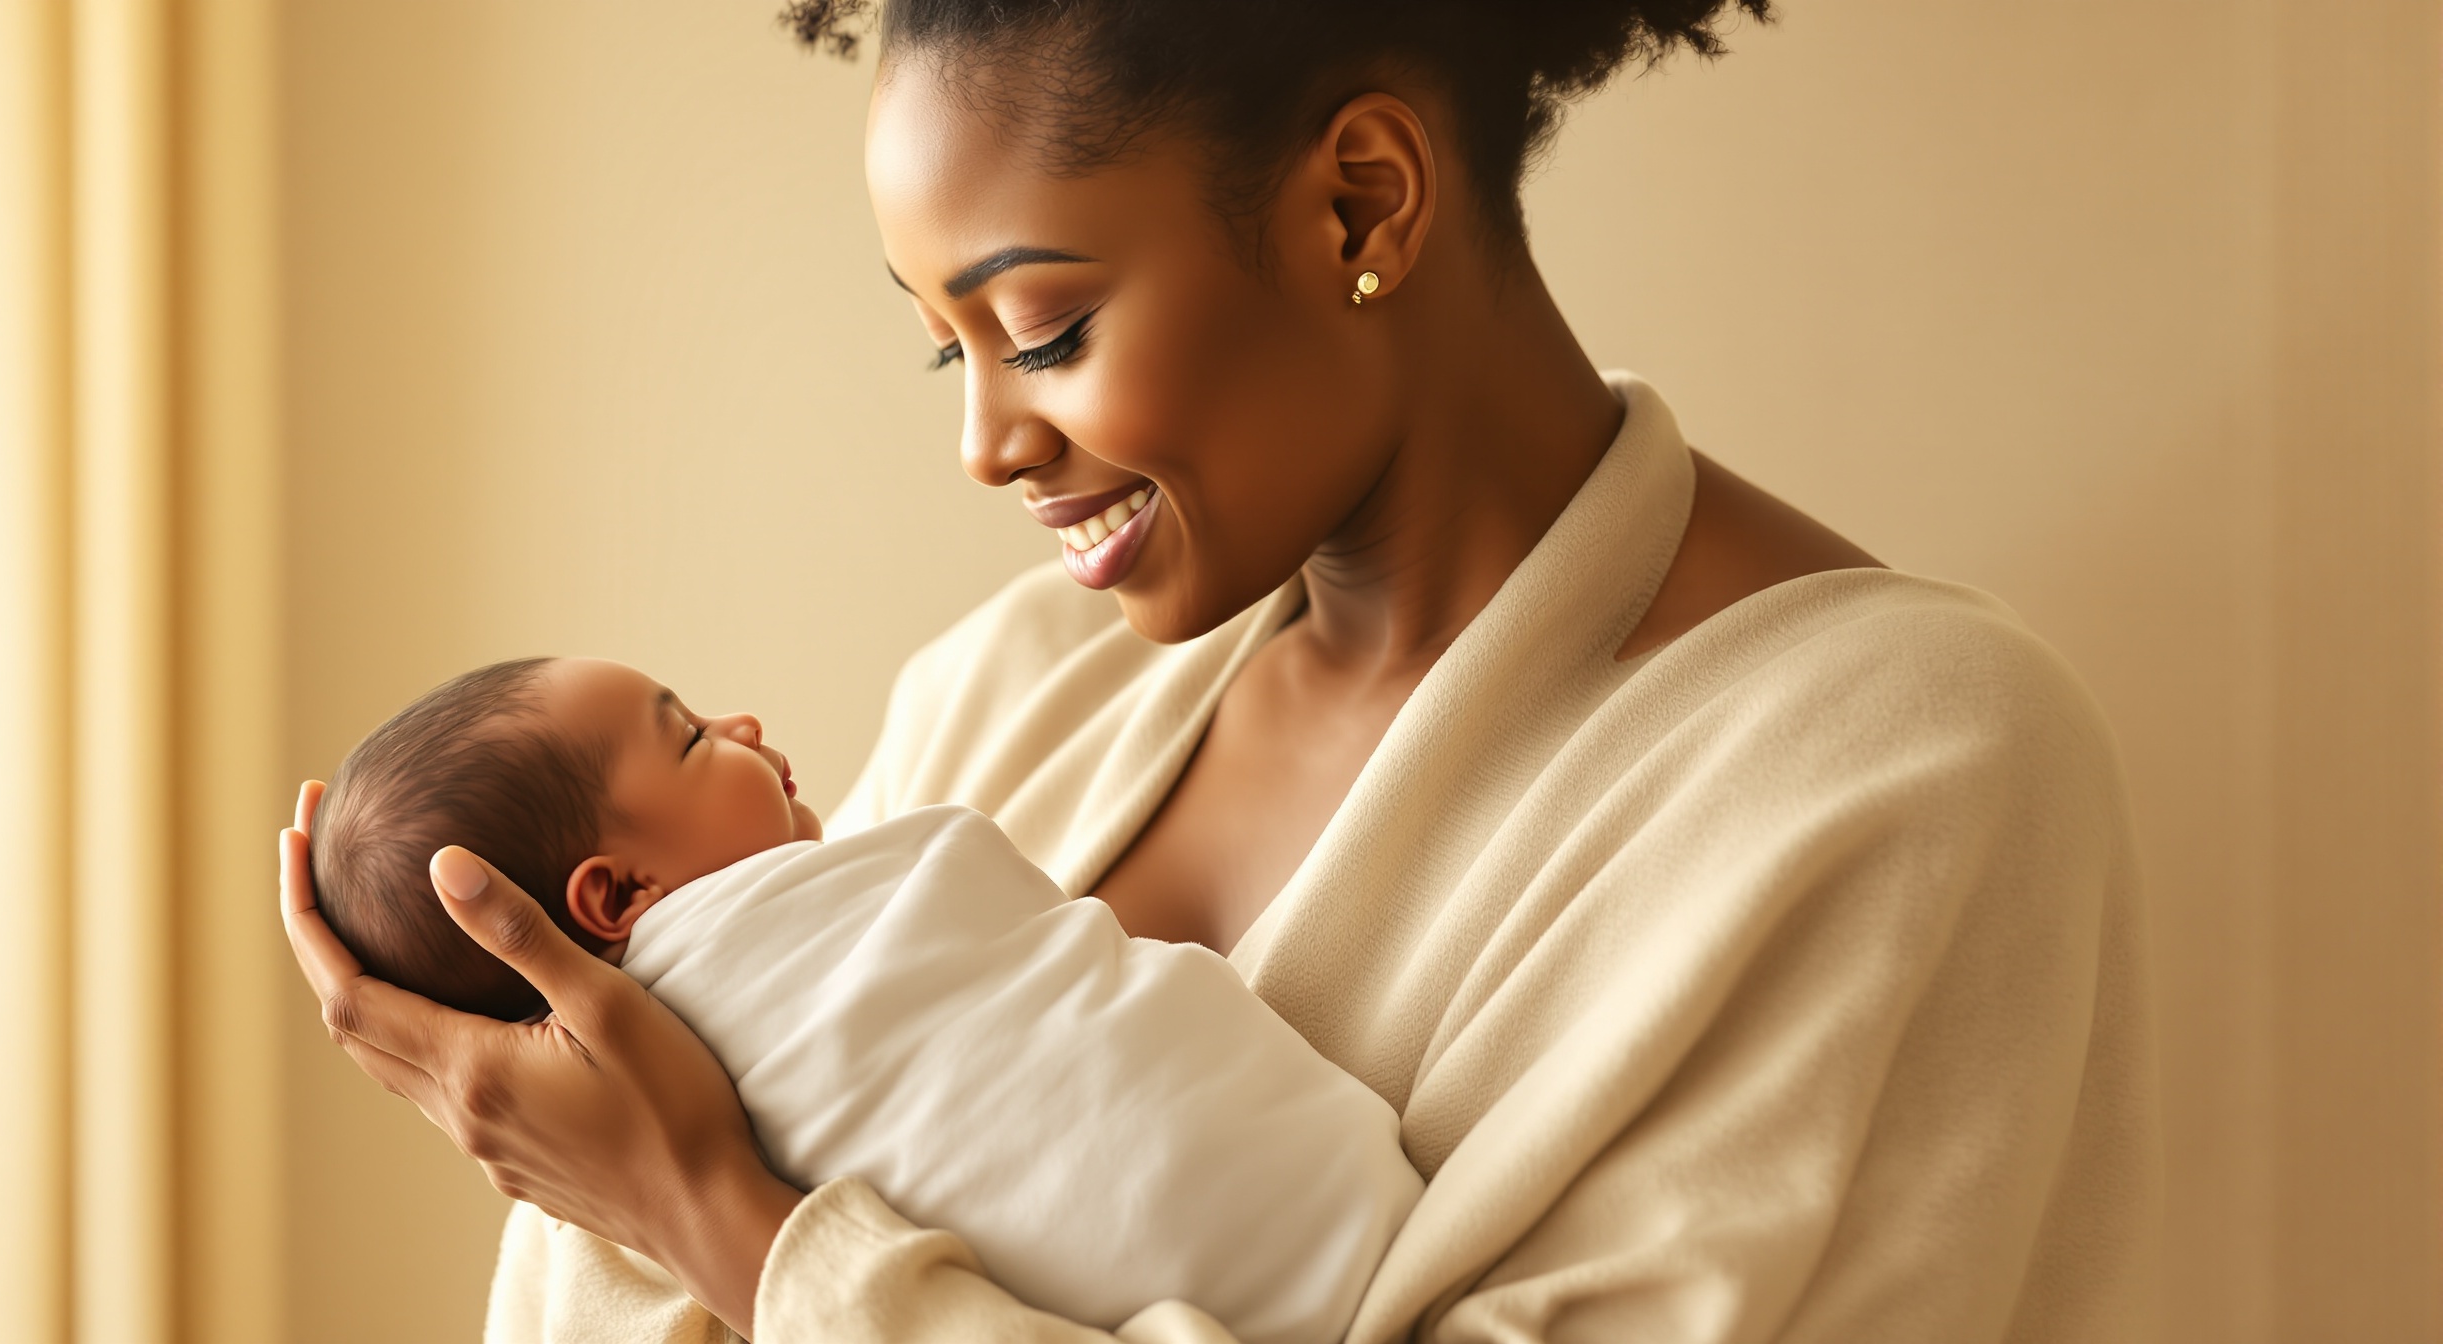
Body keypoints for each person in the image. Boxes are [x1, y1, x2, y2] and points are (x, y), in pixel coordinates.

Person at [276, 1, 2157, 1339]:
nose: (988, 445)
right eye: (951, 352)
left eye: (1046, 328)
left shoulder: (1893, 773)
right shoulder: (1011, 691)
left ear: (1359, 204)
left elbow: (677, 1210)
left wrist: (733, 1226)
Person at [308, 654, 1420, 1344]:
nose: (740, 725)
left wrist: (691, 1201)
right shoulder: (957, 727)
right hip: (1318, 1238)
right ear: (620, 895)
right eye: (690, 737)